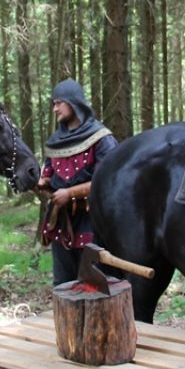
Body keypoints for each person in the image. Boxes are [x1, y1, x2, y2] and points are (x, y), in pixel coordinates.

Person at [36, 79, 118, 285]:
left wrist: (69, 193)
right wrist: (41, 182)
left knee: (93, 288)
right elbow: (47, 174)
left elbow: (106, 182)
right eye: (53, 104)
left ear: (73, 103)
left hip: (93, 224)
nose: (55, 109)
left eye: (59, 103)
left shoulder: (101, 138)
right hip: (62, 225)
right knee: (63, 286)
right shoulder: (56, 141)